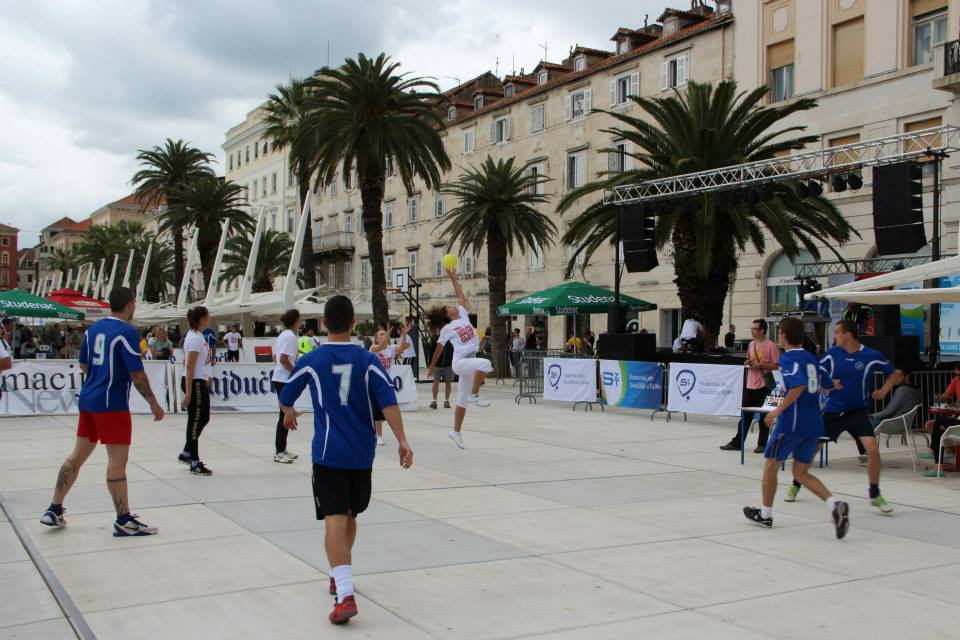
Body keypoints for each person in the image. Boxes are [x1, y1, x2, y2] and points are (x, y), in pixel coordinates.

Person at [279, 295, 413, 625]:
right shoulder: (367, 360)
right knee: (350, 515)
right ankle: (340, 578)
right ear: (354, 324)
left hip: (328, 453)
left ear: (324, 324)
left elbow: (285, 392)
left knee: (333, 518)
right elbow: (388, 401)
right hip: (361, 454)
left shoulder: (314, 359)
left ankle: (345, 594)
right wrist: (402, 440)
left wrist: (288, 413)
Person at [40, 287, 165, 536]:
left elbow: (84, 363)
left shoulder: (92, 330)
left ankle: (54, 508)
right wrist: (153, 402)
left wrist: (98, 379)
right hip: (112, 404)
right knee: (117, 462)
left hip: (89, 400)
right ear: (130, 305)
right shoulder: (126, 332)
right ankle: (123, 519)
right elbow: (136, 373)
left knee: (77, 455)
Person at [743, 317, 850, 539]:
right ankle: (834, 505)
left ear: (783, 334)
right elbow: (827, 383)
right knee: (800, 472)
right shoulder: (810, 357)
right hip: (814, 423)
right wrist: (835, 385)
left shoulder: (788, 359)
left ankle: (766, 514)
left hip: (792, 422)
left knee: (770, 466)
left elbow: (799, 385)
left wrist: (776, 412)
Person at [785, 320, 901, 512]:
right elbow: (815, 375)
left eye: (837, 333)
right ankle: (796, 484)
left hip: (857, 412)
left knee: (872, 449)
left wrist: (884, 390)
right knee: (812, 450)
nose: (834, 337)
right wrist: (827, 384)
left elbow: (894, 373)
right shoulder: (832, 354)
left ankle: (875, 493)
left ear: (848, 335)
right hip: (833, 411)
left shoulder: (871, 355)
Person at [428, 268, 493, 449]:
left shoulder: (463, 315)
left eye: (451, 305)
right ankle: (475, 394)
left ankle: (455, 432)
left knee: (461, 400)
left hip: (468, 362)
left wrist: (454, 278)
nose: (453, 306)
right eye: (449, 307)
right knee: (486, 363)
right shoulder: (448, 328)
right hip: (460, 363)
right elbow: (439, 347)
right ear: (448, 315)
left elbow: (461, 296)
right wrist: (432, 367)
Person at [721, 319, 780, 453]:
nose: (752, 330)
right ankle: (738, 442)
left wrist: (761, 365)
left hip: (764, 386)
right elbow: (749, 359)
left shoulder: (771, 346)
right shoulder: (751, 344)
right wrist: (748, 363)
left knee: (764, 416)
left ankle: (762, 444)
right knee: (745, 416)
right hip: (750, 384)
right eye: (752, 328)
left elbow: (777, 365)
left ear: (762, 331)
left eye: (754, 328)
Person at [178, 307, 214, 475]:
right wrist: (189, 393)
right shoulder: (194, 339)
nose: (209, 319)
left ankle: (187, 451)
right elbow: (189, 366)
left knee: (203, 418)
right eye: (207, 316)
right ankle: (194, 461)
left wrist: (207, 375)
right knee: (195, 421)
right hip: (194, 384)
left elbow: (198, 363)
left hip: (200, 381)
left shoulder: (199, 337)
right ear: (201, 319)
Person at [369, 325, 409, 445]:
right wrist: (387, 335)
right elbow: (381, 346)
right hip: (375, 383)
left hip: (387, 383)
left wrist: (404, 334)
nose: (383, 335)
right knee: (377, 411)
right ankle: (378, 436)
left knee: (390, 407)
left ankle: (385, 430)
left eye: (384, 334)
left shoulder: (391, 348)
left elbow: (402, 348)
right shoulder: (374, 348)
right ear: (376, 339)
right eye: (380, 334)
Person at [271, 309, 302, 463]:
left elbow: (275, 357)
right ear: (296, 321)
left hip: (279, 377)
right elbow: (283, 359)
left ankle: (282, 448)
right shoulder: (290, 337)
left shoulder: (282, 335)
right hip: (283, 379)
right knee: (284, 414)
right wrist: (294, 373)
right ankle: (279, 451)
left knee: (284, 413)